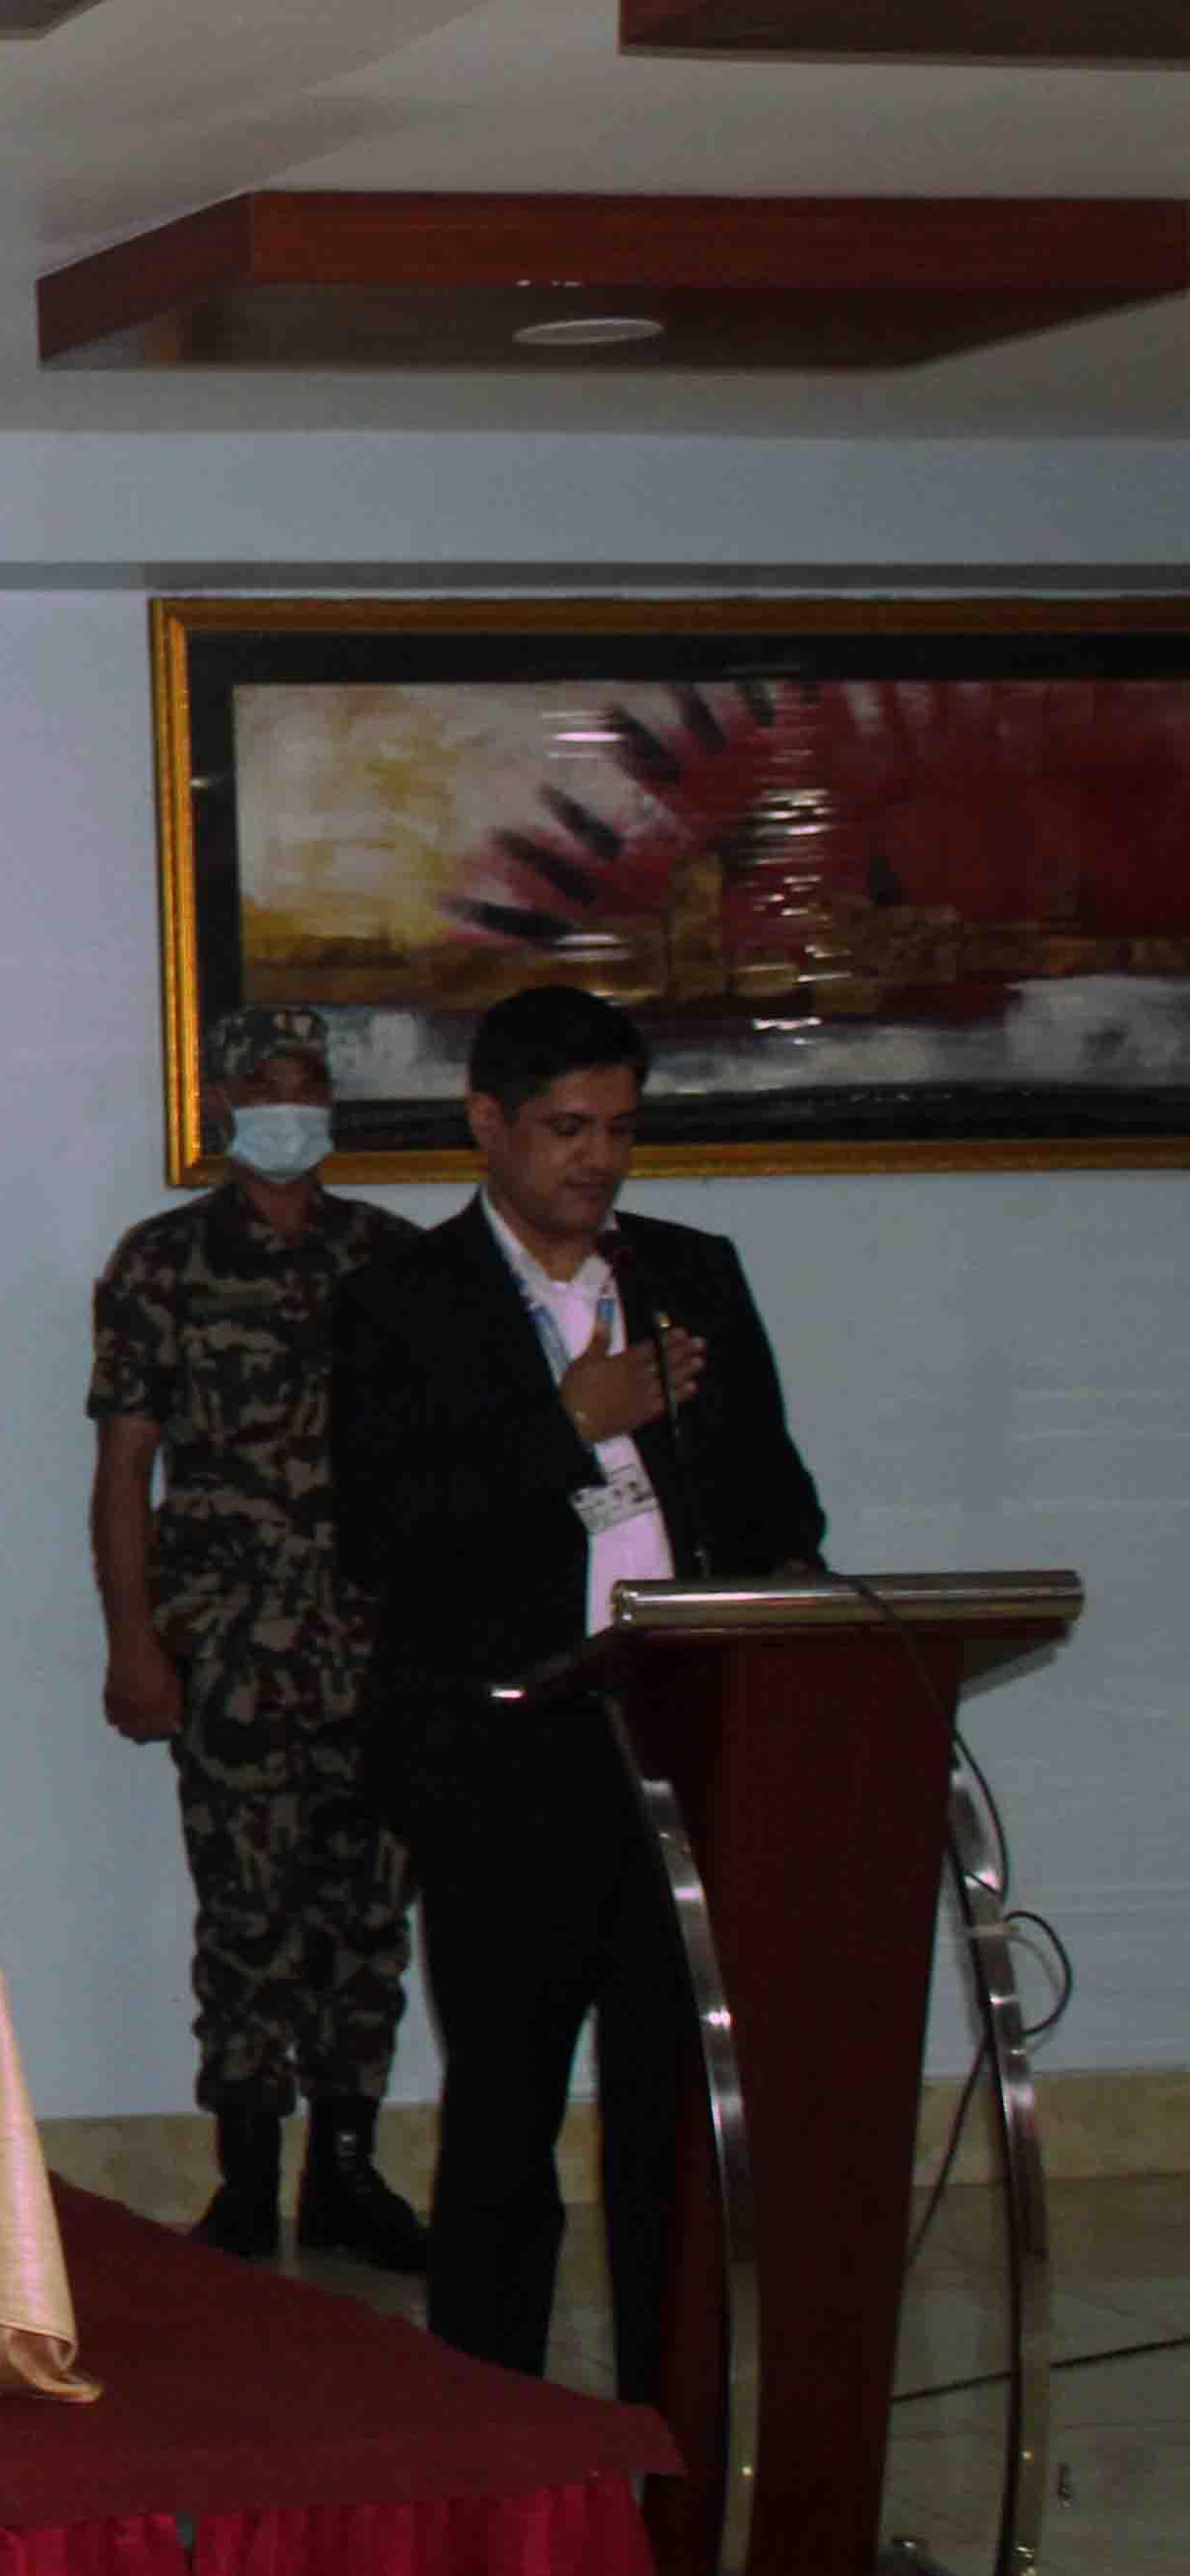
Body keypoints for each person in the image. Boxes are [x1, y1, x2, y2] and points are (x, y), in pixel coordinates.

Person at [332, 984, 822, 2397]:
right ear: (486, 1122)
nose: (597, 1159)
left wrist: (705, 1479)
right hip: (503, 1760)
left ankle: (672, 2422)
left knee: (674, 2119)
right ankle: (492, 2431)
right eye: (566, 1129)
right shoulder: (400, 1301)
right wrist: (568, 1426)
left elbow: (783, 1508)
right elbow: (384, 1539)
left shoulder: (691, 1274)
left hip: (681, 1747)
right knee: (505, 2118)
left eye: (619, 1128)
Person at [87, 1003, 432, 2269]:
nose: (293, 1102)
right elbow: (125, 1473)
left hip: (377, 1648)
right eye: (268, 1082)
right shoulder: (162, 1264)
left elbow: (444, 1467)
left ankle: (346, 2169)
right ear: (223, 1102)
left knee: (367, 1921)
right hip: (231, 1650)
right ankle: (245, 2178)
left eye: (311, 1081)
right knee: (245, 1919)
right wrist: (135, 1646)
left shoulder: (396, 1261)